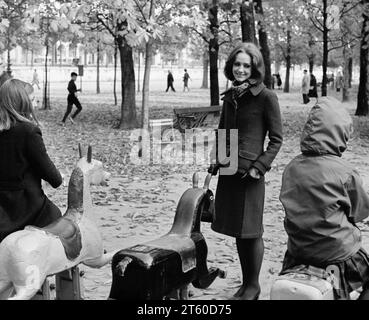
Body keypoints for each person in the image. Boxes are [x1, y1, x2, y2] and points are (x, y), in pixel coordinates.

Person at [208, 42, 283, 300]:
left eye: (246, 65)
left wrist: (259, 168)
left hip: (251, 176)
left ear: (255, 68)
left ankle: (253, 286)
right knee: (239, 232)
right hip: (230, 171)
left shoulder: (266, 97)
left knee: (252, 231)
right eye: (237, 64)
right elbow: (223, 131)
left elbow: (276, 139)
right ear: (231, 66)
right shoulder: (230, 96)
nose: (241, 69)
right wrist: (216, 160)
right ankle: (245, 284)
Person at [279, 96, 369, 300]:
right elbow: (360, 212)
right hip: (337, 255)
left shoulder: (291, 167)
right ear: (341, 134)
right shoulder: (345, 172)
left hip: (297, 253)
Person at [0, 79, 62, 242]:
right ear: (23, 101)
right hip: (28, 208)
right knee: (60, 225)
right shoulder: (28, 131)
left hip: (2, 212)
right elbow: (54, 179)